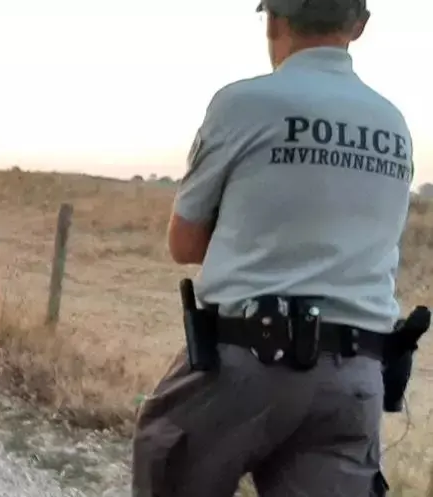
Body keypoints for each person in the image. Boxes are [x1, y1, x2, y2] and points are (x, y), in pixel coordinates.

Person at [132, 1, 413, 496]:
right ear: (359, 26)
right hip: (358, 377)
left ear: (274, 20)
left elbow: (184, 242)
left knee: (167, 451)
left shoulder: (243, 103)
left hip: (250, 357)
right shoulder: (394, 125)